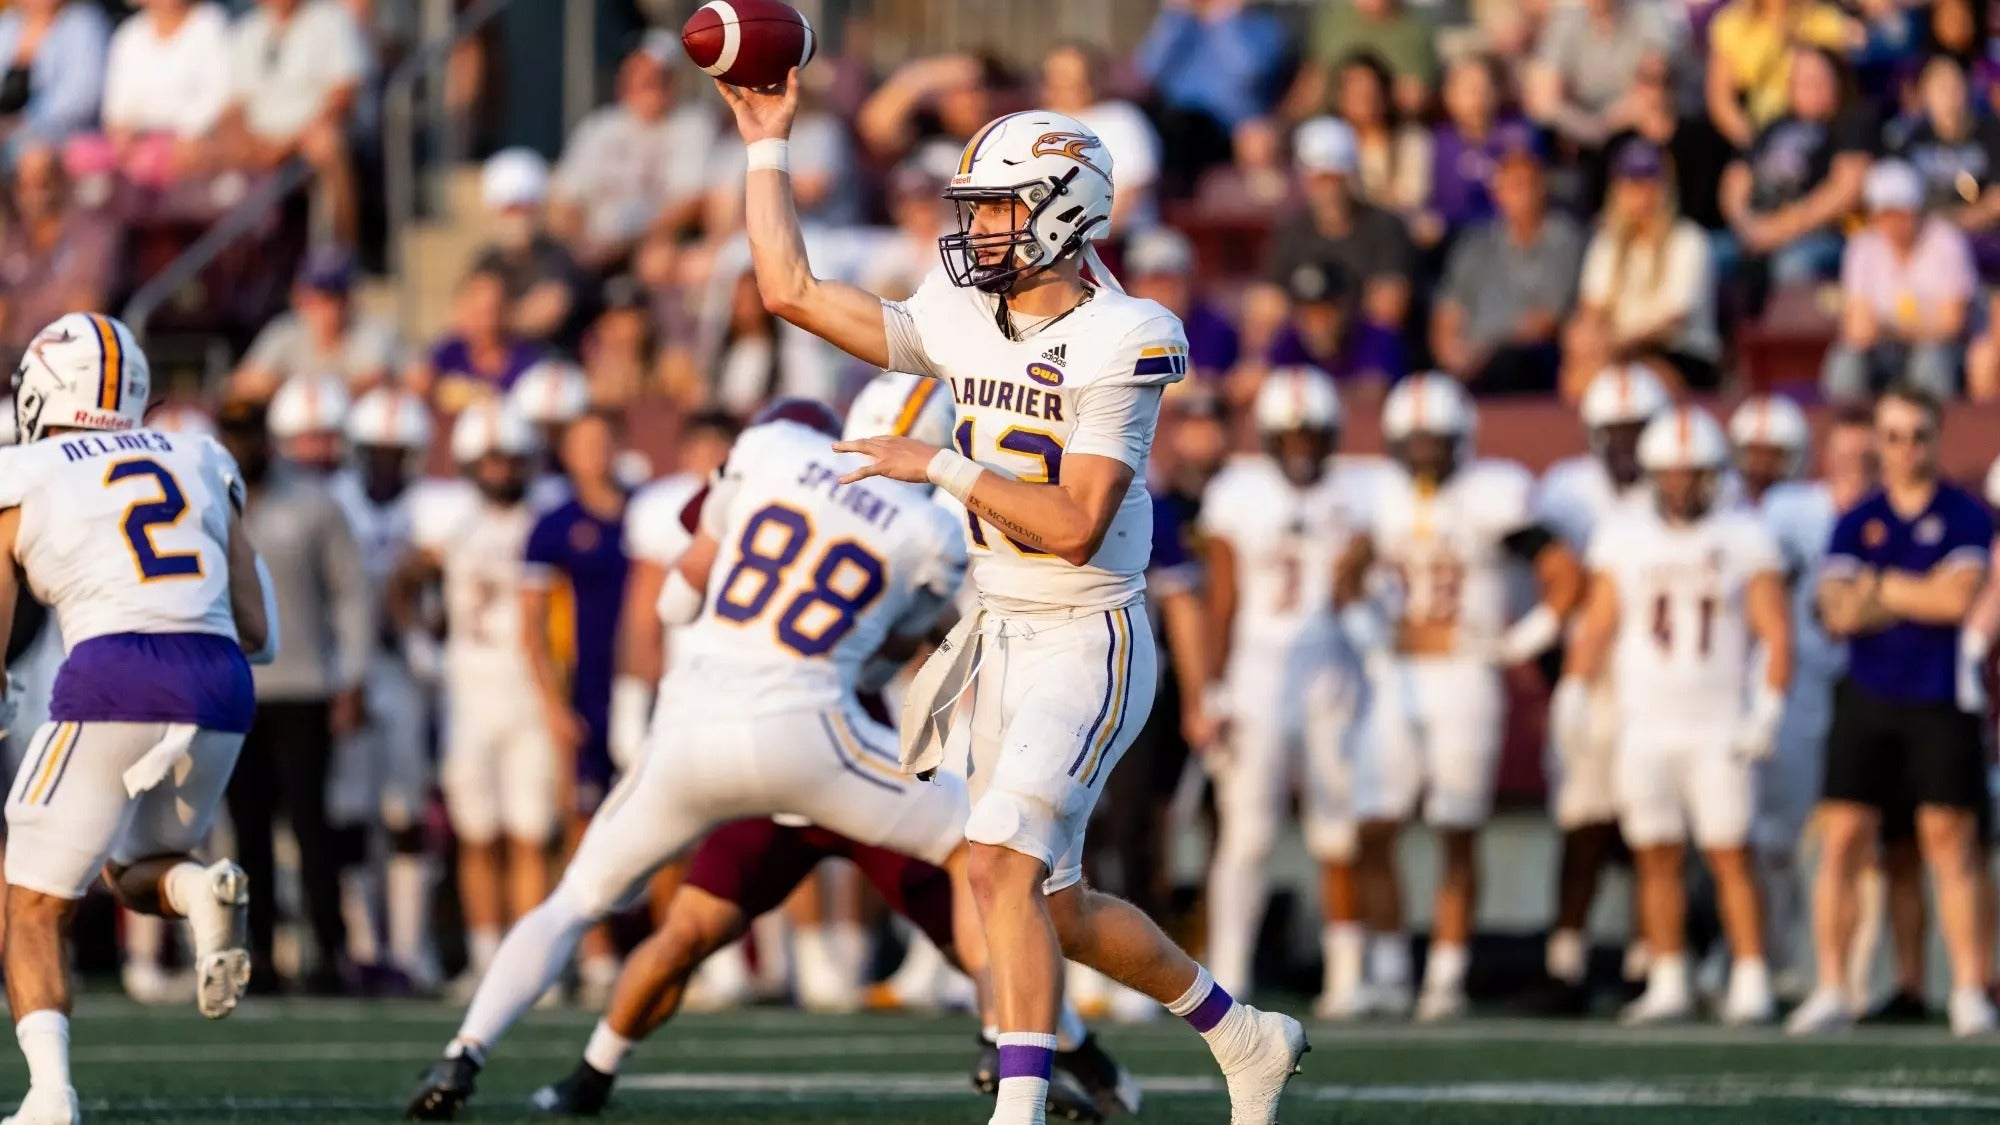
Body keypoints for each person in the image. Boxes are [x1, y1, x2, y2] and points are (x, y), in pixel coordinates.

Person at [715, 76, 1306, 1124]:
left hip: (1088, 632)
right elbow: (792, 290)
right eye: (975, 206)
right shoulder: (959, 311)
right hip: (997, 632)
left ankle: (1017, 1112)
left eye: (998, 205)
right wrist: (765, 144)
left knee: (994, 863)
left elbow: (1077, 522)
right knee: (1055, 905)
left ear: (1066, 205)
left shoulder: (1125, 334)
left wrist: (937, 467)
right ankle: (1241, 1033)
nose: (977, 227)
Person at [405, 396, 974, 1120]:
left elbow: (676, 600)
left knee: (576, 900)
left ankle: (464, 1051)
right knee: (980, 844)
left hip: (692, 724)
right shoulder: (930, 529)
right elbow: (896, 654)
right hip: (814, 734)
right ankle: (1017, 1048)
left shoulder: (771, 455)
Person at [0, 313, 271, 1125]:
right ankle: (199, 887)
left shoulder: (25, 468)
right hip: (220, 682)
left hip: (112, 673)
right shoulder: (198, 453)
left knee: (30, 905)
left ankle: (50, 1098)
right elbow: (261, 630)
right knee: (133, 867)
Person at [1338, 373, 1583, 1021]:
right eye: (1413, 441)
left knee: (1457, 829)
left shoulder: (1491, 494)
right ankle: (1390, 968)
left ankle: (1445, 974)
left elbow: (1562, 573)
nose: (1424, 453)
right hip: (1397, 676)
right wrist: (1368, 632)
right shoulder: (1378, 495)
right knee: (1373, 825)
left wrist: (1516, 642)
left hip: (1466, 679)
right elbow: (1345, 574)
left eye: (1436, 441)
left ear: (1462, 441)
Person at [1554, 406, 1792, 1026]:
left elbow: (1775, 630)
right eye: (1673, 475)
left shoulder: (1745, 534)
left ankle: (1750, 974)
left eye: (1695, 475)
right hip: (1647, 721)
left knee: (1730, 853)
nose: (1683, 487)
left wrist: (1767, 706)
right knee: (1654, 854)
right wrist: (1574, 688)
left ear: (1716, 475)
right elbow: (1599, 621)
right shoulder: (1625, 535)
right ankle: (1667, 978)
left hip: (1717, 722)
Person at [1791, 383, 1997, 1037]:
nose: (1907, 450)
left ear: (1938, 438)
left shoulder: (1965, 515)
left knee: (1950, 841)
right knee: (1845, 836)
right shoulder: (1857, 518)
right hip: (1869, 695)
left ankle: (1968, 986)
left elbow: (1959, 600)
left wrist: (1876, 587)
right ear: (1878, 443)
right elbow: (1836, 610)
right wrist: (1912, 590)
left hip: (1940, 694)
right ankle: (1832, 983)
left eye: (1919, 435)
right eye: (1894, 436)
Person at [1196, 367, 1372, 1017]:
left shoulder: (1361, 491)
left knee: (1338, 829)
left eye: (1313, 432)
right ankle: (1230, 969)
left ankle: (1347, 973)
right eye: (1290, 433)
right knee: (1247, 832)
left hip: (1333, 676)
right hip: (1256, 680)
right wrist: (1211, 689)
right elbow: (1222, 599)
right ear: (1268, 437)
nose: (1301, 444)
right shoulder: (1239, 492)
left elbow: (1369, 588)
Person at [391, 401, 552, 1003]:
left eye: (510, 458)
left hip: (529, 693)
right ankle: (488, 959)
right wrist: (417, 645)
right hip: (469, 695)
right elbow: (403, 577)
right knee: (478, 834)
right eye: (488, 459)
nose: (500, 469)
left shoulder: (544, 517)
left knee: (531, 834)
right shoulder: (452, 523)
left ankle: (531, 962)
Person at [217, 389, 371, 996]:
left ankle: (329, 952)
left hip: (303, 686)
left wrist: (351, 675)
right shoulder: (203, 500)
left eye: (251, 435)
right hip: (231, 688)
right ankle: (261, 954)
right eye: (233, 437)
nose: (243, 448)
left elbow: (351, 594)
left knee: (312, 827)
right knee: (247, 828)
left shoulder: (313, 503)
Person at [1528, 363, 1672, 1013]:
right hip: (1589, 673)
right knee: (1581, 820)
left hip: (1652, 674)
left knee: (1651, 824)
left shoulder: (1676, 490)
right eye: (1612, 431)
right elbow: (1555, 573)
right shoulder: (1567, 489)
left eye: (1637, 431)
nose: (1624, 445)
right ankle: (1567, 958)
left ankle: (1651, 959)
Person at [1729, 394, 1862, 999]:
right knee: (1767, 835)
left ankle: (1838, 972)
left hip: (1839, 678)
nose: (1759, 469)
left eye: (1772, 456)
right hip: (1775, 679)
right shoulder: (1753, 514)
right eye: (1749, 455)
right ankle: (1770, 952)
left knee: (1845, 834)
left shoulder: (1806, 511)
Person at [519, 409, 630, 1009]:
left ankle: (656, 946)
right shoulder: (554, 524)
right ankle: (595, 954)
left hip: (638, 689)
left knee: (658, 815)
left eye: (602, 439)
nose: (594, 452)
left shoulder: (644, 511)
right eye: (582, 442)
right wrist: (552, 703)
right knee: (583, 822)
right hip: (584, 690)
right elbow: (531, 626)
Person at [330, 386, 439, 993]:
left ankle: (408, 948)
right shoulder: (338, 502)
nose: (386, 464)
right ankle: (364, 946)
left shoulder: (432, 507)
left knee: (405, 813)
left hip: (403, 673)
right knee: (347, 815)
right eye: (377, 451)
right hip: (349, 669)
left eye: (398, 453)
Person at [1429, 123, 1584, 396]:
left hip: (1527, 360)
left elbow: (1545, 321)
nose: (1520, 194)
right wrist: (1451, 352)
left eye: (1526, 183)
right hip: (1471, 361)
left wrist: (1483, 352)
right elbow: (1448, 310)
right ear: (1497, 192)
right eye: (1511, 185)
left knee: (1512, 363)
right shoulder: (1474, 244)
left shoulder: (1563, 240)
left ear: (1542, 186)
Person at [1564, 139, 1722, 399]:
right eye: (1631, 185)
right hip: (1618, 353)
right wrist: (1584, 340)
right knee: (1577, 378)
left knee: (1642, 383)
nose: (1641, 195)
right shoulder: (1607, 244)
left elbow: (1672, 321)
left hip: (1679, 353)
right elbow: (1591, 309)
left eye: (1649, 183)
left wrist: (1616, 344)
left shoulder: (1689, 241)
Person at [550, 33, 719, 271]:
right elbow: (565, 201)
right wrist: (581, 244)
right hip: (591, 246)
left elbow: (690, 202)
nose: (646, 84)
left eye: (657, 78)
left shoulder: (693, 124)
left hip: (653, 245)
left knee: (659, 262)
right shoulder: (598, 127)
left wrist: (629, 242)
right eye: (638, 75)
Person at [1718, 46, 1874, 289]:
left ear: (1836, 81)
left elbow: (1846, 190)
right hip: (1754, 229)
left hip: (1816, 235)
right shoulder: (1773, 126)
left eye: (1818, 78)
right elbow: (1735, 178)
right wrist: (1745, 224)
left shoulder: (1850, 121)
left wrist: (1778, 229)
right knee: (1708, 254)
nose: (1810, 86)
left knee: (1792, 265)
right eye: (1801, 79)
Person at [1822, 160, 1975, 401]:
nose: (1892, 223)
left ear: (1916, 210)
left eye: (1900, 213)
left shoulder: (1946, 242)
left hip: (1940, 351)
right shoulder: (1862, 247)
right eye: (1884, 214)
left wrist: (1890, 328)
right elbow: (1858, 324)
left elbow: (1951, 324)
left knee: (1929, 360)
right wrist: (1876, 331)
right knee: (1846, 359)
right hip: (1884, 351)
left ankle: (1933, 431)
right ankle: (1847, 428)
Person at [93, 0, 234, 189]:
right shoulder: (129, 34)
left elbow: (220, 93)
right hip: (138, 141)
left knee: (158, 162)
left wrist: (184, 135)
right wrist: (122, 133)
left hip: (190, 140)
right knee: (79, 155)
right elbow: (116, 108)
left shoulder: (211, 23)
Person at [232, 246, 402, 399]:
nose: (324, 308)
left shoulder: (371, 332)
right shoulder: (285, 331)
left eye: (333, 297)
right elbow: (243, 381)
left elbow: (377, 379)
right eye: (315, 296)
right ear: (300, 297)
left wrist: (312, 392)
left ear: (348, 300)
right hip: (292, 430)